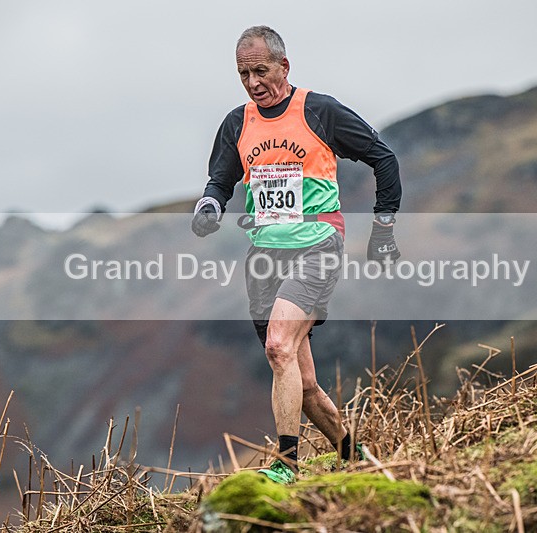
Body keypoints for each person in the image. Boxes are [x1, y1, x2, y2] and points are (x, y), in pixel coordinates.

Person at [191, 25, 401, 484]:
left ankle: (286, 465)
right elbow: (219, 180)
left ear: (284, 67)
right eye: (243, 74)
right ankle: (355, 456)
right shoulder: (237, 123)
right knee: (301, 383)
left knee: (278, 345)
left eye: (261, 71)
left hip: (318, 246)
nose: (252, 83)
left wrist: (383, 229)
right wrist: (209, 204)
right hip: (265, 258)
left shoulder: (319, 111)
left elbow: (384, 158)